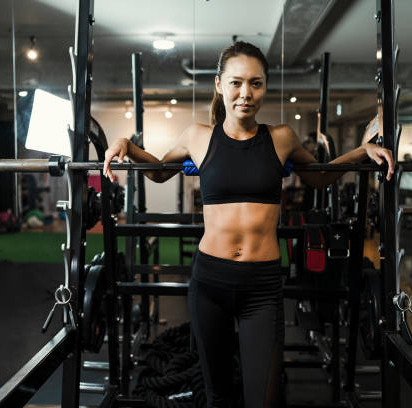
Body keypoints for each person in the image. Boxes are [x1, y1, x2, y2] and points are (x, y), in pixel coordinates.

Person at [103, 41, 394, 408]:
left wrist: (362, 151)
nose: (246, 94)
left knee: (263, 399)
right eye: (237, 83)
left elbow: (319, 177)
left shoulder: (281, 138)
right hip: (210, 283)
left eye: (256, 83)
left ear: (265, 87)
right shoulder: (198, 137)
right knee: (218, 396)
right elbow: (159, 171)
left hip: (262, 287)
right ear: (220, 85)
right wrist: (124, 143)